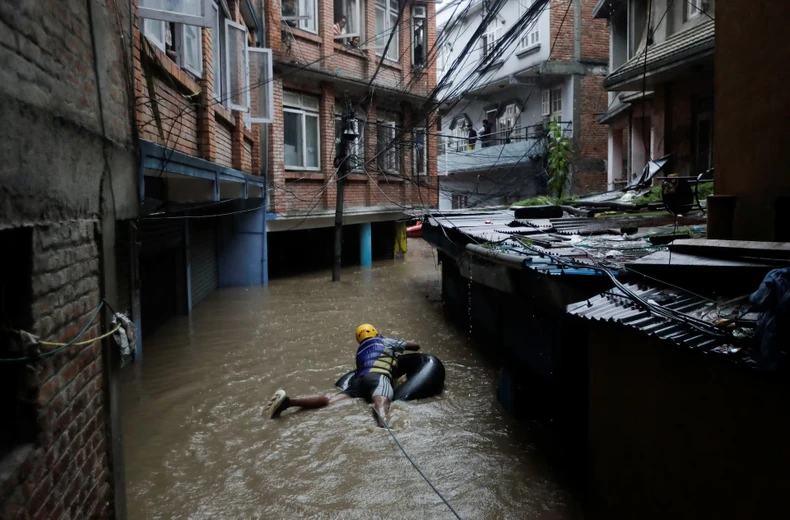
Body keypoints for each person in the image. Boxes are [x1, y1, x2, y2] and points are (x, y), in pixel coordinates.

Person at [265, 324, 420, 427]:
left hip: (358, 383)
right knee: (382, 404)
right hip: (377, 378)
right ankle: (385, 430)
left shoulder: (360, 351)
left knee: (329, 401)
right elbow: (415, 347)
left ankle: (289, 402)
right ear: (375, 332)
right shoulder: (385, 340)